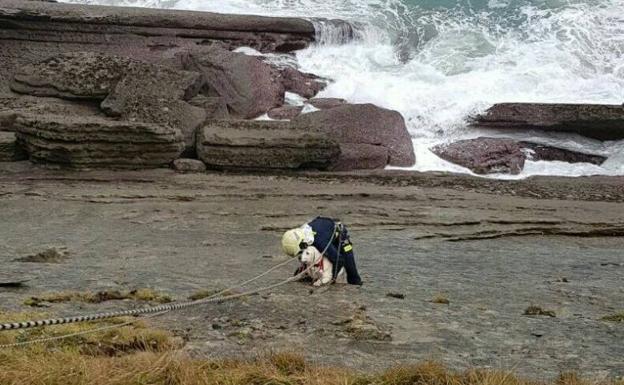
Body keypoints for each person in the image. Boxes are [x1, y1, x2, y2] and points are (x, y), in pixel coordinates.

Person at [281, 216, 363, 285]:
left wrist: (332, 278)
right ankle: (307, 274)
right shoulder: (302, 233)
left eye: (299, 252)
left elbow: (339, 260)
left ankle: (357, 284)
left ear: (302, 243)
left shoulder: (320, 242)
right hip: (324, 230)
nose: (299, 255)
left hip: (340, 237)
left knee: (351, 271)